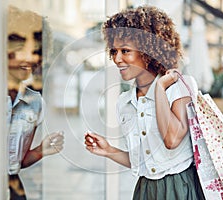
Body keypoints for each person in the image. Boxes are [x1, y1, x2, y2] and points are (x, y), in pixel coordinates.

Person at [84, 5, 205, 200]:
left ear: (148, 52)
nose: (117, 59)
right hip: (145, 190)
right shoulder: (125, 102)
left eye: (125, 51)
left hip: (180, 188)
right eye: (114, 51)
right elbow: (143, 161)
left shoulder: (179, 87)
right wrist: (108, 150)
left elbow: (172, 139)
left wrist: (158, 90)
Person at [7, 6, 64, 199]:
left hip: (14, 188)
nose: (30, 57)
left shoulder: (34, 102)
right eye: (21, 48)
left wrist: (41, 151)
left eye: (36, 51)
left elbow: (17, 163)